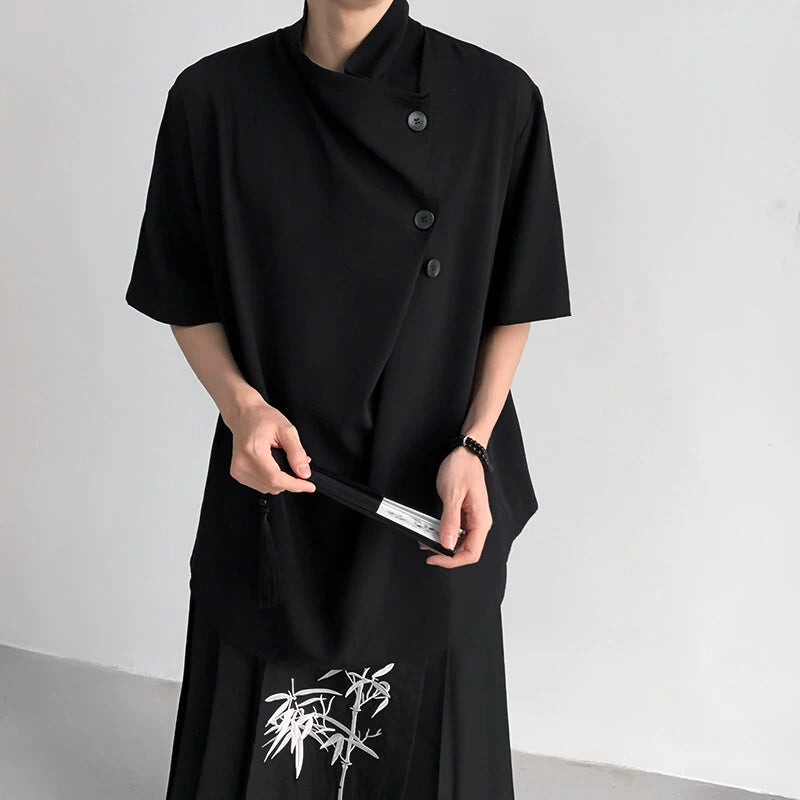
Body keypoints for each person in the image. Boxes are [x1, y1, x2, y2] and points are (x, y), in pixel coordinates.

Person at [125, 0, 571, 796]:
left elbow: (515, 299)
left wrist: (474, 443)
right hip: (282, 475)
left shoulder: (496, 99)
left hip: (430, 475)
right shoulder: (214, 98)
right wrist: (242, 410)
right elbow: (183, 293)